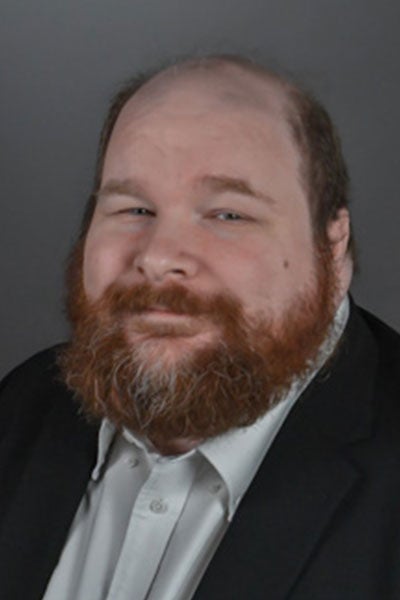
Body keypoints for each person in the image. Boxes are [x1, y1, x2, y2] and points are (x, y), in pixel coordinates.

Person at [1, 55, 399, 600]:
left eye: (227, 214)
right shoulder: (21, 407)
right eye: (134, 209)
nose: (159, 258)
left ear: (332, 245)